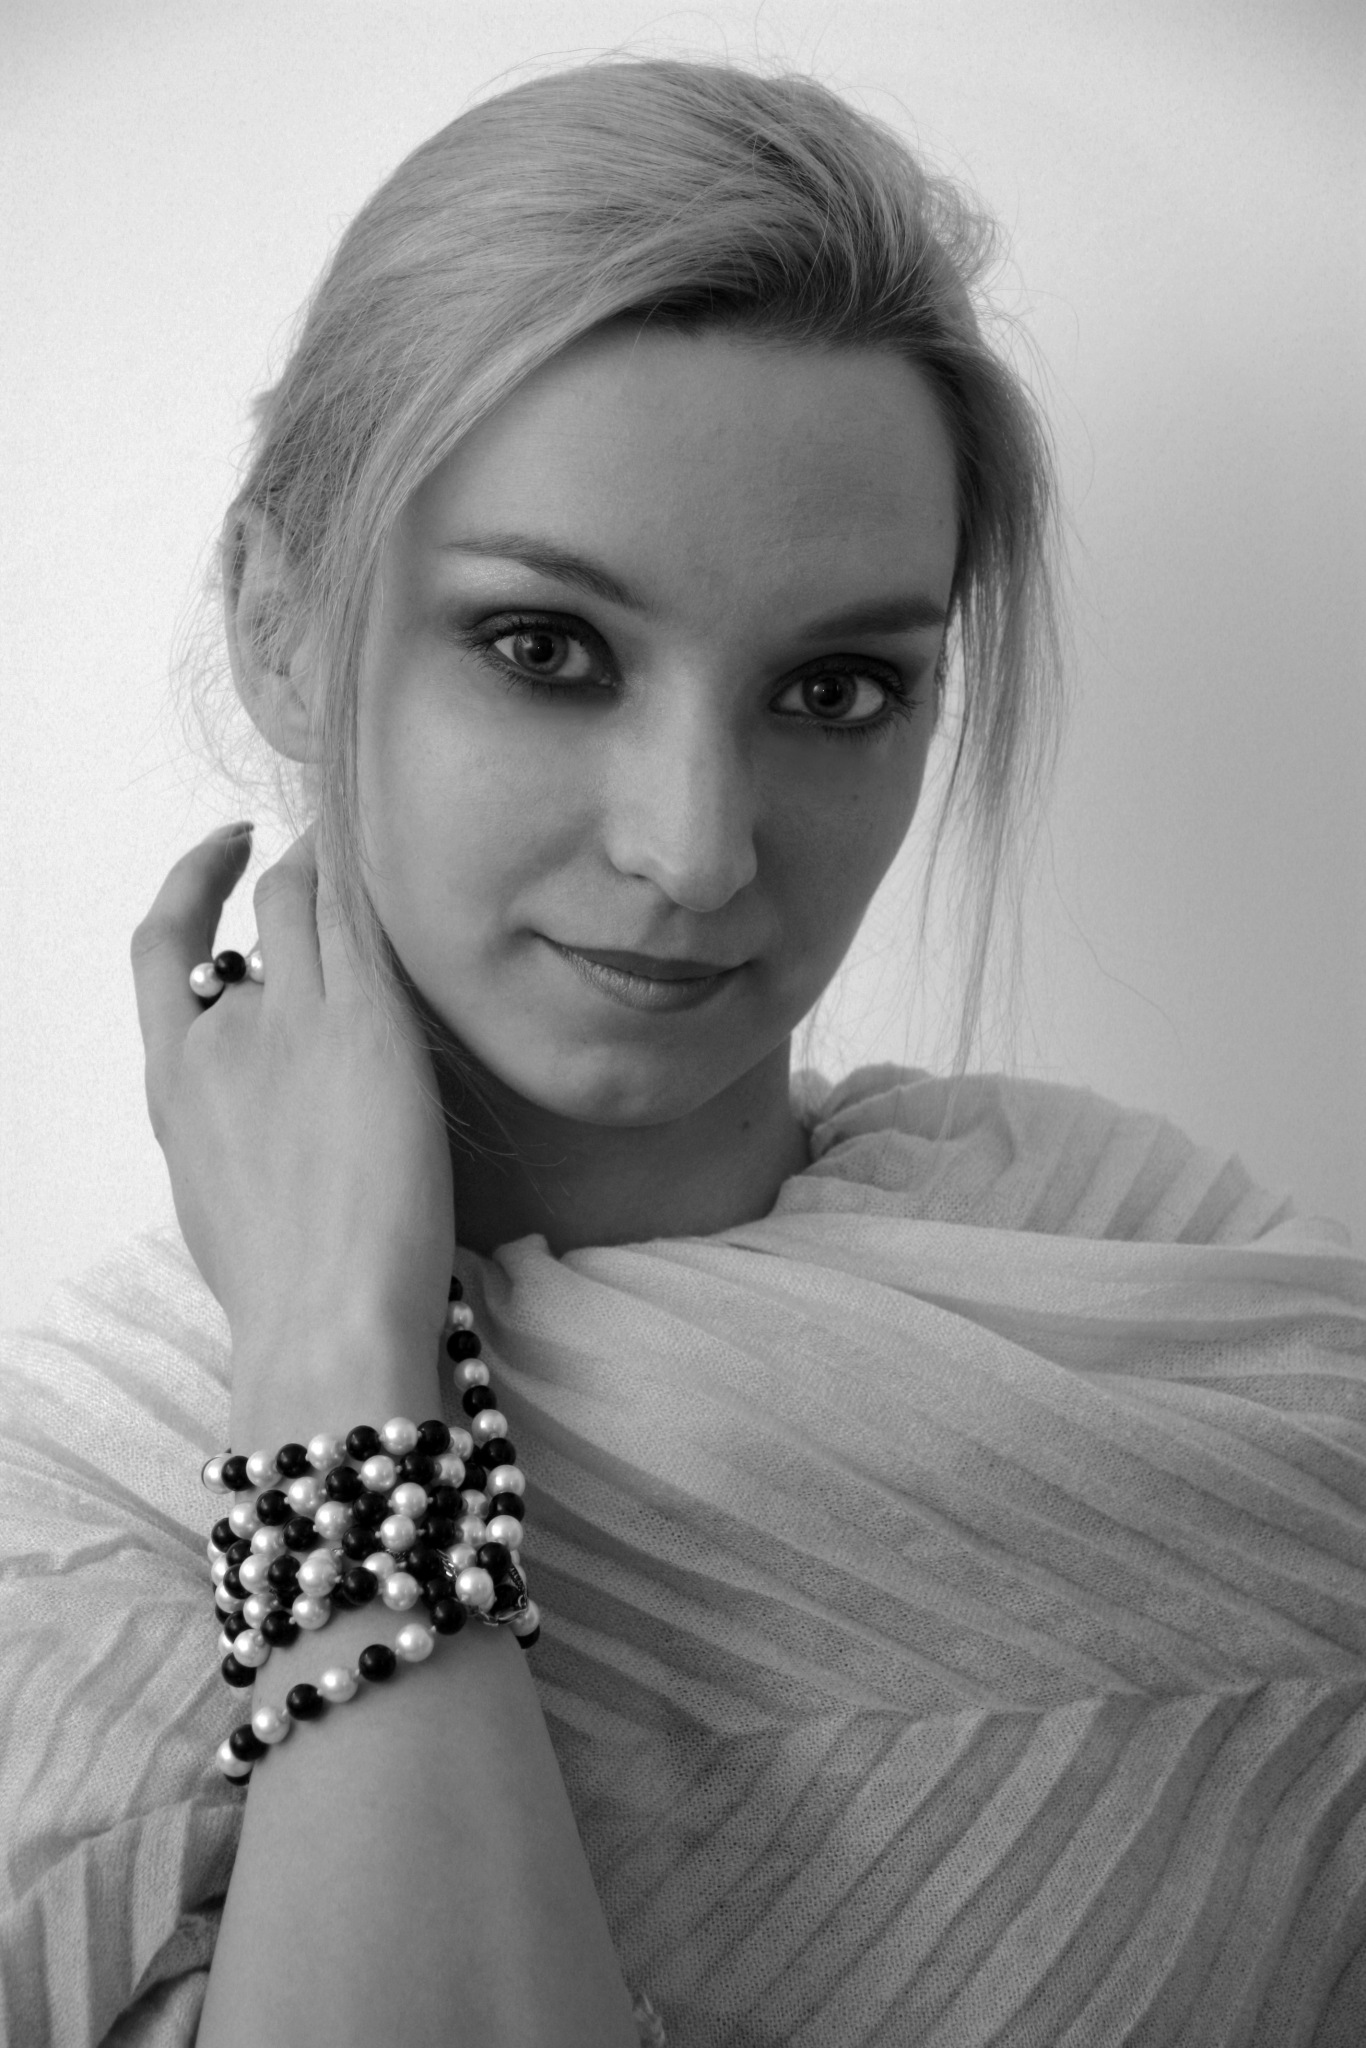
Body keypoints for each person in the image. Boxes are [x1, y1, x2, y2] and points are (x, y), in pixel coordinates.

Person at [1, 53, 1363, 2048]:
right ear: (280, 624)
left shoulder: (1156, 1281)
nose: (697, 847)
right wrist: (337, 1367)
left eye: (836, 688)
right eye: (544, 649)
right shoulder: (73, 1506)